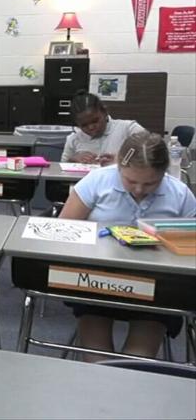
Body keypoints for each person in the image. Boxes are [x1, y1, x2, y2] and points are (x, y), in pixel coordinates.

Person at [60, 132, 196, 362]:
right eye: (131, 181)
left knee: (139, 356)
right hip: (97, 279)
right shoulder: (97, 181)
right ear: (119, 167)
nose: (140, 190)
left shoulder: (180, 194)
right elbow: (63, 232)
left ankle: (127, 384)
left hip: (157, 285)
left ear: (164, 173)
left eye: (150, 183)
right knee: (97, 356)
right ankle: (105, 385)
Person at [61, 91, 145, 165]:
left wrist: (121, 161)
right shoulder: (73, 139)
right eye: (84, 125)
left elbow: (152, 153)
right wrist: (72, 160)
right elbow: (60, 170)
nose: (91, 127)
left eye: (95, 121)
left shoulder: (128, 129)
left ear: (105, 112)